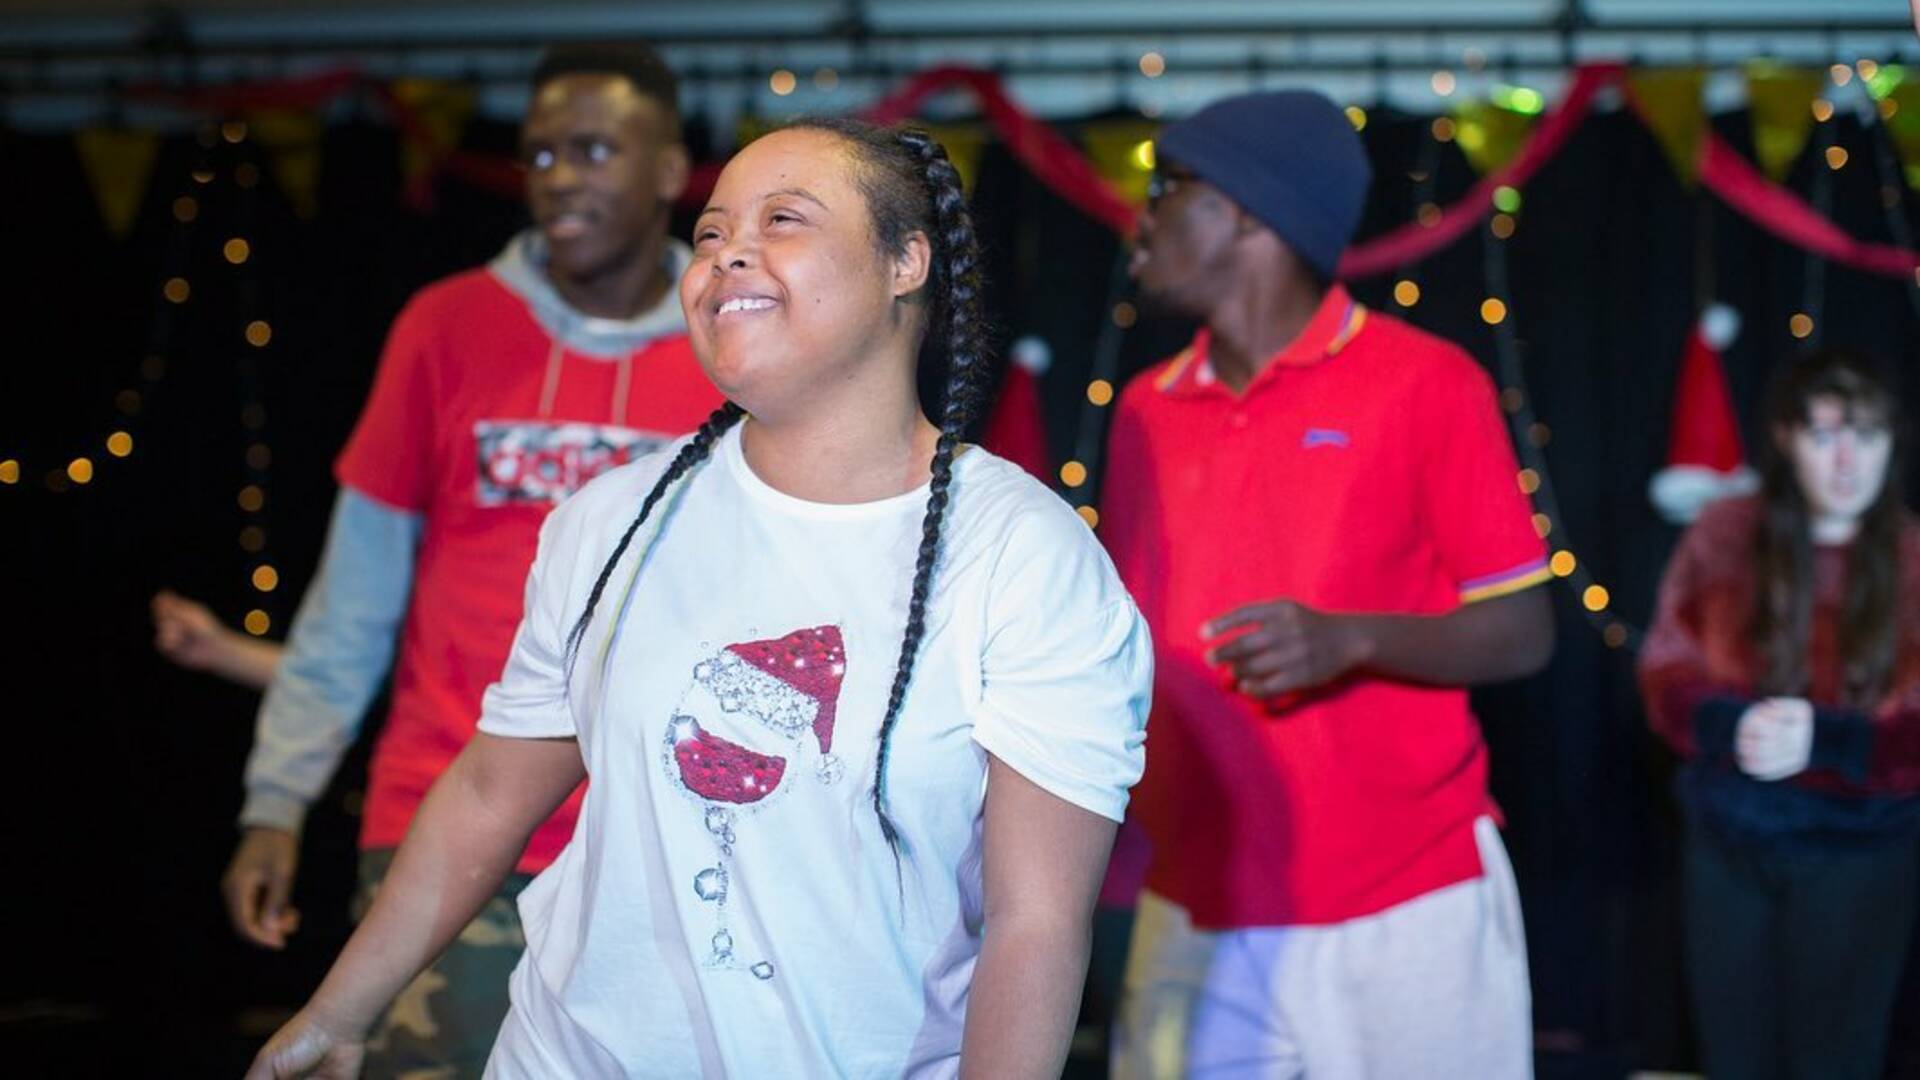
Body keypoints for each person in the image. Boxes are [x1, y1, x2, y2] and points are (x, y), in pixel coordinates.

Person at [242, 117, 1152, 1078]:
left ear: (906, 261)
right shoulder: (610, 520)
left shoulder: (1023, 555)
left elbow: (1036, 923)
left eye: (784, 220)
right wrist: (339, 1014)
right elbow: (486, 792)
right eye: (712, 234)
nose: (729, 256)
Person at [220, 43, 723, 1074]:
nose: (563, 176)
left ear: (671, 170)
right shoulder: (444, 329)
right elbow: (354, 598)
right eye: (541, 155)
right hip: (446, 826)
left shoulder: (736, 345)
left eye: (594, 149)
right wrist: (279, 799)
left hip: (664, 845)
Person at [1100, 89, 1555, 1077]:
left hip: (1404, 894)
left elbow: (1524, 629)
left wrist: (1351, 637)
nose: (1141, 214)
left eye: (1169, 186)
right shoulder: (1142, 408)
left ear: (1252, 213)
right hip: (1196, 899)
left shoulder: (1426, 381)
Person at [1639, 348, 1920, 1080]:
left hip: (1859, 849)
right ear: (1789, 440)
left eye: (1867, 434)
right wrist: (1731, 726)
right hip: (1731, 841)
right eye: (1826, 435)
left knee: (1837, 1057)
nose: (1847, 459)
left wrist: (1832, 741)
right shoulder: (1726, 535)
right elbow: (1666, 667)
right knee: (1737, 1054)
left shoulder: (1913, 557)